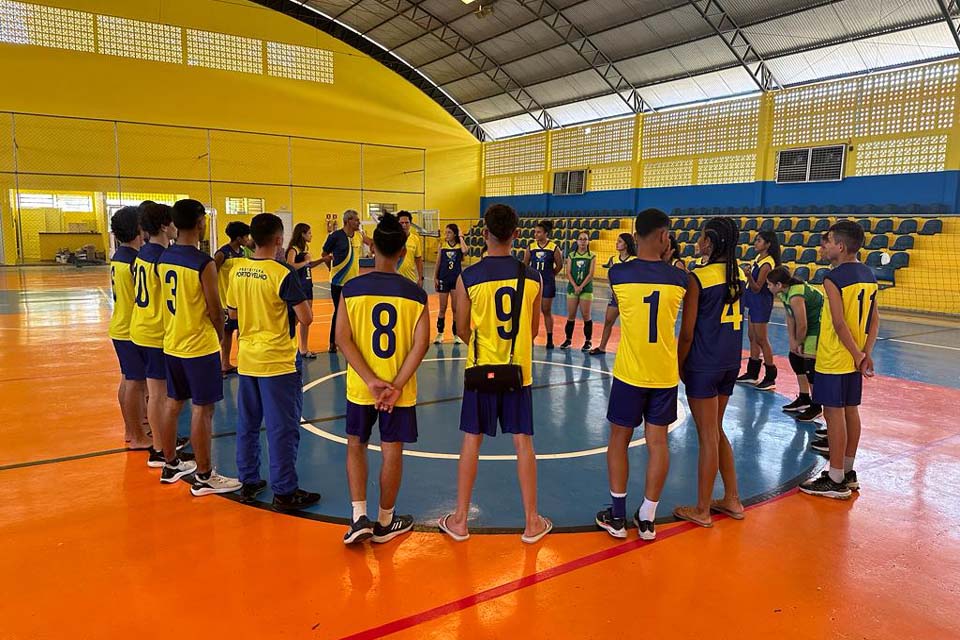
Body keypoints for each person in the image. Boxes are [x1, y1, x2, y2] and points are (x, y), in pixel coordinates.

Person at [439, 204, 552, 544]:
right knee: (523, 443)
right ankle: (532, 522)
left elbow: (460, 328)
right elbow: (533, 330)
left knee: (471, 440)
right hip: (518, 374)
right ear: (516, 235)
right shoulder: (533, 278)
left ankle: (460, 520)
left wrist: (483, 343)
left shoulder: (467, 277)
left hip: (480, 371)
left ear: (484, 233)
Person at [336, 212, 430, 544]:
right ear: (403, 252)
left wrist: (370, 380)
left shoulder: (351, 289)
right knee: (392, 450)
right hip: (398, 391)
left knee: (355, 444)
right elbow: (422, 344)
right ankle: (385, 522)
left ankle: (359, 516)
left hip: (362, 387)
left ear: (372, 247)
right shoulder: (416, 295)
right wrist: (396, 384)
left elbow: (342, 338)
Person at [595, 209, 688, 541]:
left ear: (635, 237)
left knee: (618, 441)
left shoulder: (618, 274)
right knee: (658, 443)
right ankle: (647, 518)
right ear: (665, 237)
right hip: (664, 374)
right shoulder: (681, 278)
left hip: (630, 373)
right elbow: (686, 335)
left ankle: (617, 517)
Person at [227, 213, 321, 510]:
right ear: (279, 239)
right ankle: (284, 490)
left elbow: (232, 315)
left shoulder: (238, 271)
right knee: (282, 427)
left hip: (248, 358)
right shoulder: (282, 274)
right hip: (278, 361)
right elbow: (306, 317)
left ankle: (249, 480)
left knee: (248, 424)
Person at [158, 199, 240, 496]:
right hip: (198, 346)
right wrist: (219, 336)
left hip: (172, 342)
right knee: (202, 410)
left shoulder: (164, 257)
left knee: (173, 403)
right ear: (200, 222)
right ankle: (205, 475)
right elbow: (215, 309)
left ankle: (170, 464)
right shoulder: (201, 262)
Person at [674, 217, 746, 527]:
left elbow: (687, 332)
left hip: (704, 364)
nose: (698, 241)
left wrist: (679, 363)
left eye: (703, 237)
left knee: (707, 436)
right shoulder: (738, 274)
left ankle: (702, 509)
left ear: (712, 242)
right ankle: (731, 498)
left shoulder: (698, 277)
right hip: (729, 362)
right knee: (715, 430)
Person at [800, 222, 878, 499]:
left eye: (827, 242)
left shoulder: (832, 278)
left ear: (841, 246)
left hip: (835, 357)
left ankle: (835, 479)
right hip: (854, 358)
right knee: (850, 411)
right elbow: (874, 318)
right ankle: (848, 471)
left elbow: (839, 322)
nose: (823, 247)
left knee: (834, 416)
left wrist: (856, 354)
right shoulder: (868, 274)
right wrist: (865, 352)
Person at [129, 203, 187, 469]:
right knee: (159, 394)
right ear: (165, 226)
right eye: (172, 222)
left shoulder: (143, 254)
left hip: (141, 327)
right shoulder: (162, 259)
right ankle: (162, 451)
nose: (176, 227)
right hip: (155, 333)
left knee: (156, 393)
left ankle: (161, 445)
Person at [109, 207, 153, 451]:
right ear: (139, 229)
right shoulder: (135, 261)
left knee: (129, 380)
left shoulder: (120, 256)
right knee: (134, 383)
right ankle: (137, 435)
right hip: (130, 328)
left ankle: (131, 429)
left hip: (121, 325)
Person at [767, 266, 825, 424]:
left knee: (810, 366)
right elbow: (790, 317)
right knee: (794, 357)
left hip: (819, 325)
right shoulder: (785, 293)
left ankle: (816, 406)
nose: (768, 287)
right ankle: (804, 398)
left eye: (769, 284)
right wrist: (793, 341)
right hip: (808, 325)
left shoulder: (795, 294)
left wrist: (800, 342)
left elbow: (803, 325)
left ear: (779, 285)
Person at [321, 210, 371, 354]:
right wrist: (331, 269)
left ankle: (351, 341)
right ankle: (332, 342)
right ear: (348, 221)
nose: (359, 222)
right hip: (338, 283)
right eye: (356, 220)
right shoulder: (335, 236)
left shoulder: (359, 236)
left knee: (353, 313)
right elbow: (324, 254)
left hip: (353, 283)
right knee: (339, 312)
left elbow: (371, 243)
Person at [738, 230, 780, 390]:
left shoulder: (767, 264)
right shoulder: (759, 258)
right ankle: (752, 373)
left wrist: (748, 276)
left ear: (768, 244)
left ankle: (770, 376)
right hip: (754, 302)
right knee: (752, 337)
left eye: (759, 240)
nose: (755, 243)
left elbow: (757, 287)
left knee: (762, 339)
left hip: (761, 302)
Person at [590, 233, 636, 356]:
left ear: (626, 244)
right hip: (616, 296)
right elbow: (610, 278)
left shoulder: (635, 260)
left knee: (630, 325)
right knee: (608, 321)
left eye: (619, 241)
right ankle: (602, 347)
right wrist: (615, 293)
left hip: (630, 298)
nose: (616, 243)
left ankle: (631, 350)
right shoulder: (613, 259)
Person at [215, 221, 251, 377]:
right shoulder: (222, 253)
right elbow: (211, 273)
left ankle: (239, 361)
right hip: (225, 300)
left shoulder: (243, 252)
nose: (248, 239)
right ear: (238, 238)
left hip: (241, 300)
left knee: (241, 332)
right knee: (225, 334)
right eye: (246, 236)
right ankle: (223, 363)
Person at [286, 223, 324, 359]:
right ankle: (290, 346)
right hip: (299, 287)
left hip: (308, 285)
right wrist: (305, 262)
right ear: (302, 234)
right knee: (295, 319)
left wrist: (322, 260)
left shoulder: (304, 249)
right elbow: (290, 265)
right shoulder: (293, 249)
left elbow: (309, 265)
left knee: (306, 320)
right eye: (309, 233)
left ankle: (303, 348)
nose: (311, 235)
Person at [523, 220, 562, 350]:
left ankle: (550, 338)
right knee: (531, 311)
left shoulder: (553, 247)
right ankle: (530, 337)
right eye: (535, 232)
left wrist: (550, 275)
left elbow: (559, 265)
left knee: (546, 310)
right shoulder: (531, 247)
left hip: (547, 283)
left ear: (546, 233)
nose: (536, 234)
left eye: (539, 232)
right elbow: (525, 265)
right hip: (533, 283)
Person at [560, 231, 596, 352]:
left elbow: (591, 274)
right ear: (577, 241)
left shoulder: (592, 256)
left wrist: (581, 286)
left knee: (586, 315)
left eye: (585, 239)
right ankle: (568, 340)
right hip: (572, 288)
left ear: (588, 241)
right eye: (580, 239)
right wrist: (575, 286)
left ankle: (588, 341)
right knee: (571, 315)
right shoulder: (571, 255)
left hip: (586, 289)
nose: (582, 241)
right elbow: (568, 272)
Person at [434, 223, 467, 345]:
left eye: (449, 232)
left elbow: (465, 250)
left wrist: (461, 236)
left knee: (455, 309)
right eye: (445, 232)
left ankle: (456, 334)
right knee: (442, 308)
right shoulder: (442, 246)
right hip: (444, 278)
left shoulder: (459, 246)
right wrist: (435, 277)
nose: (446, 235)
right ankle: (440, 333)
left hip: (456, 280)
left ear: (454, 234)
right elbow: (438, 262)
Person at [396, 211, 424, 288]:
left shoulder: (415, 239)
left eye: (406, 222)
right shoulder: (392, 238)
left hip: (410, 279)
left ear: (410, 224)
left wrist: (421, 278)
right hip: (395, 279)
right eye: (401, 223)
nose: (404, 225)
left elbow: (418, 260)